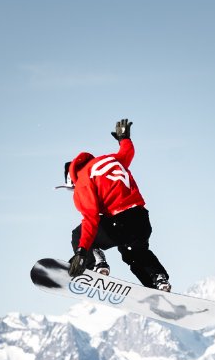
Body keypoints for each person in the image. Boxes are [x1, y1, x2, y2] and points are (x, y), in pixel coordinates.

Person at [59, 118, 171, 292]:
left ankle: (96, 263)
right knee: (135, 252)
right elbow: (127, 152)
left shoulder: (82, 182)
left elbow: (91, 218)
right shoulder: (111, 159)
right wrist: (124, 138)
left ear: (71, 179)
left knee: (78, 234)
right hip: (141, 219)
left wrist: (81, 252)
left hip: (119, 223)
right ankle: (158, 281)